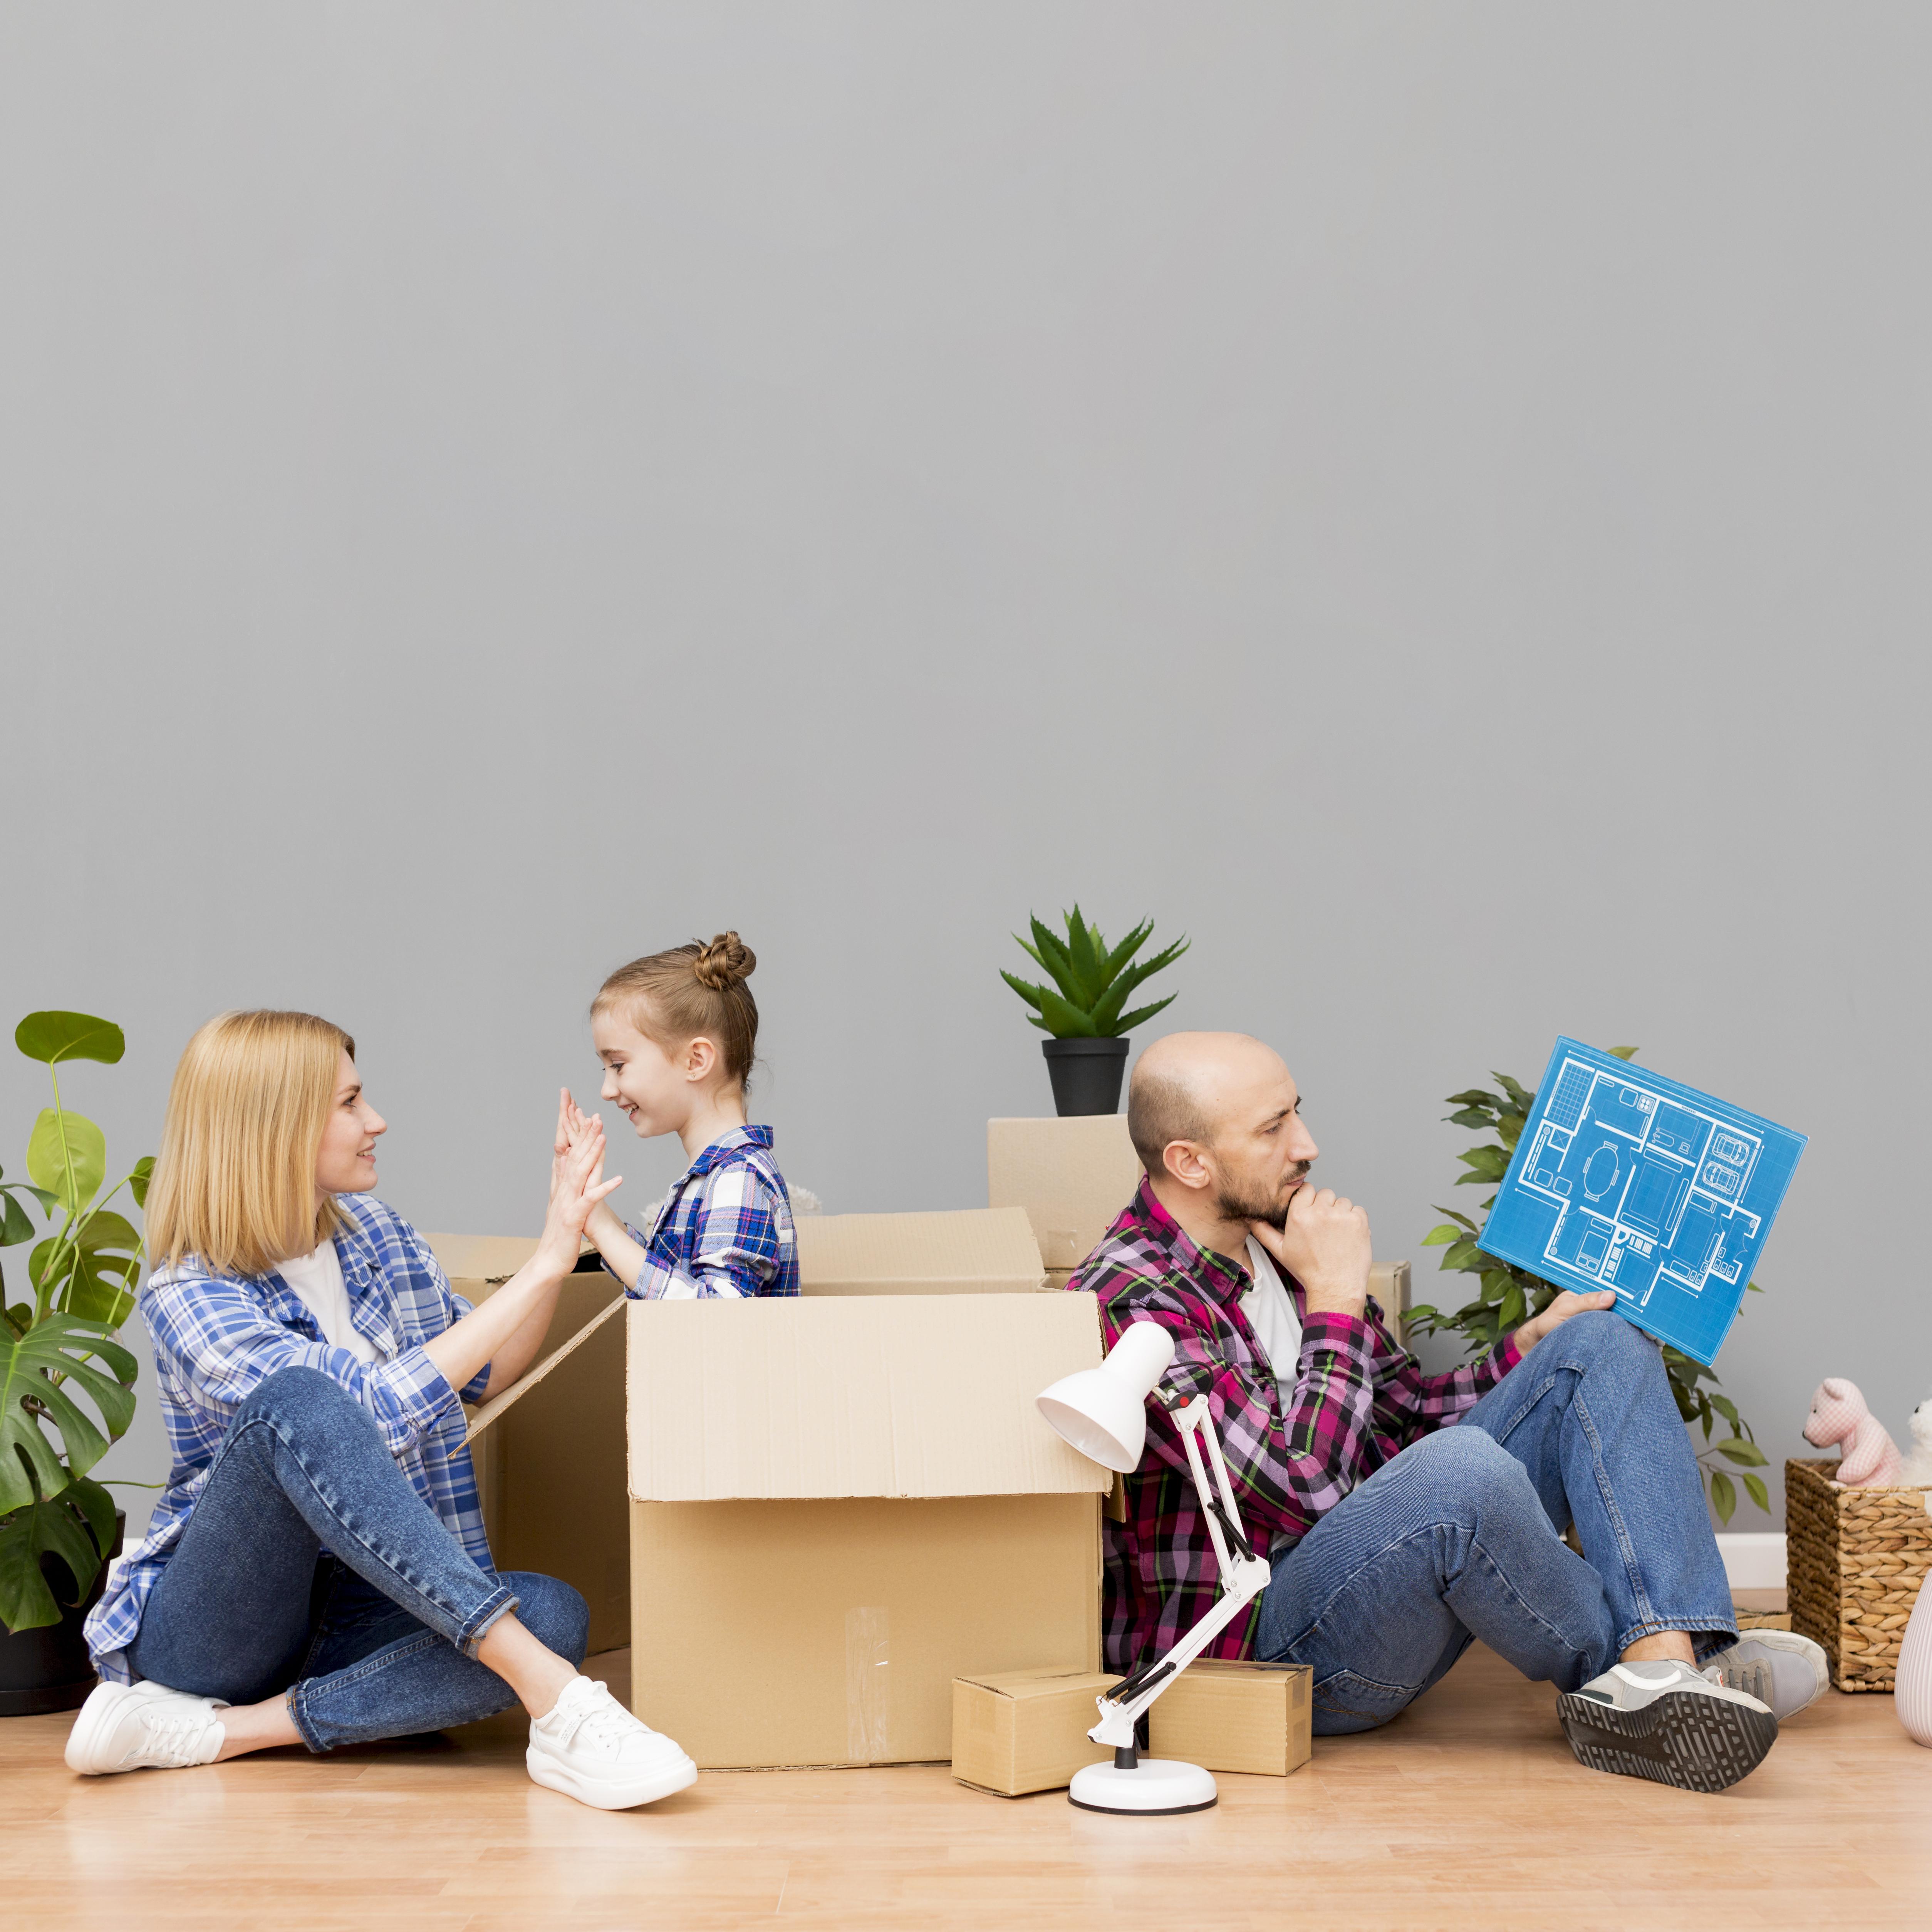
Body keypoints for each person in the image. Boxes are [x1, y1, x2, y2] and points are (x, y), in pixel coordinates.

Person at [1068, 1030, 1827, 1793]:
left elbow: (1401, 1416)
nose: (1308, 1145)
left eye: (1297, 1113)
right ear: (1190, 1162)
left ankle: (1665, 1659)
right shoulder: (1129, 1297)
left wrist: (1526, 1348)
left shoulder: (1282, 1243)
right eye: (1272, 1130)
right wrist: (1335, 1299)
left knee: (1599, 1340)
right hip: (1268, 1644)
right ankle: (1649, 1672)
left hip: (1372, 1571)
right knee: (1459, 1475)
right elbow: (1304, 1495)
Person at [69, 1010, 696, 1809]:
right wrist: (543, 1267)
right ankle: (561, 1704)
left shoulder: (377, 1236)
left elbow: (489, 1368)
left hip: (368, 1600)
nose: (377, 1122)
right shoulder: (188, 1290)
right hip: (224, 1624)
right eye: (350, 1104)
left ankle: (230, 1732)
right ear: (278, 1130)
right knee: (299, 1400)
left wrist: (559, 1234)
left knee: (554, 1614)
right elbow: (360, 1413)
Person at [558, 932, 798, 1299]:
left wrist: (603, 1231)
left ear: (696, 1061)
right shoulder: (714, 1177)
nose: (607, 1090)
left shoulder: (739, 1179)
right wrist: (595, 1213)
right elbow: (673, 1284)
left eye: (619, 1065)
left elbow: (712, 1321)